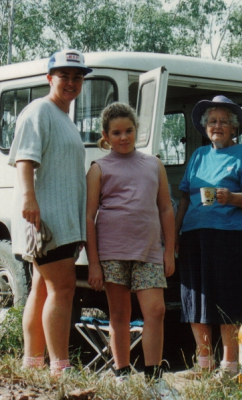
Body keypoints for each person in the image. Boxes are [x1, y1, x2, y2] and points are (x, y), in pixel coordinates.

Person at [8, 49, 91, 376]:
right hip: (44, 219)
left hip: (62, 222)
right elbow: (24, 160)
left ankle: (33, 362)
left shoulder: (64, 119)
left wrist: (78, 230)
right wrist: (29, 200)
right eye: (64, 76)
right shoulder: (39, 111)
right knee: (63, 289)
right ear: (50, 78)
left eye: (77, 77)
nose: (71, 82)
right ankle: (60, 366)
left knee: (43, 288)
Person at [175, 95, 242, 379]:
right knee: (194, 297)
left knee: (228, 298)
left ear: (234, 128)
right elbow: (185, 199)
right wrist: (175, 233)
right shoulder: (198, 156)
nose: (217, 126)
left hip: (231, 237)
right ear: (205, 127)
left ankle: (229, 366)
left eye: (224, 122)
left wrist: (233, 197)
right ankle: (203, 365)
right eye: (212, 121)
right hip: (193, 235)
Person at [85, 102, 175, 383]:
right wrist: (94, 264)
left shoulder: (153, 164)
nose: (123, 137)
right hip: (112, 254)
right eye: (116, 133)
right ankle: (122, 374)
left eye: (129, 131)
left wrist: (169, 251)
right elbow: (89, 217)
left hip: (149, 251)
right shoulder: (99, 168)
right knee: (120, 314)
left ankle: (154, 378)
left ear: (137, 131)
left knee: (156, 311)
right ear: (106, 135)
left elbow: (165, 209)